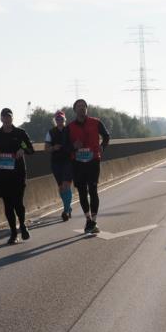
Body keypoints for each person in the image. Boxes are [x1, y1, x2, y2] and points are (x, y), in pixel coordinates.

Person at [0, 107, 35, 244]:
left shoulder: (20, 133)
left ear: (12, 118)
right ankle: (13, 233)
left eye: (9, 117)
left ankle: (22, 225)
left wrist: (22, 150)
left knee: (18, 203)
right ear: (1, 119)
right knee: (8, 205)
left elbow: (31, 149)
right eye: (4, 117)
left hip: (18, 173)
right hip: (2, 175)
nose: (7, 119)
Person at [67, 99, 110, 234]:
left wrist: (102, 146)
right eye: (79, 107)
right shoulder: (70, 127)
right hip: (77, 163)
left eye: (84, 106)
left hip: (93, 161)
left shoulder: (96, 122)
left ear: (87, 109)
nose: (81, 109)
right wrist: (73, 146)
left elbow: (106, 136)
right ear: (74, 110)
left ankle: (94, 220)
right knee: (82, 192)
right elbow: (65, 146)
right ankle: (88, 219)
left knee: (93, 189)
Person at [45, 110, 74, 221]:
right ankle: (68, 207)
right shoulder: (51, 132)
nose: (59, 121)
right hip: (56, 162)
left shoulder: (69, 130)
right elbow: (46, 148)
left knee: (66, 185)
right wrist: (53, 148)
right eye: (57, 119)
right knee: (61, 187)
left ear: (64, 120)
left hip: (68, 161)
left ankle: (66, 210)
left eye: (61, 119)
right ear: (55, 121)